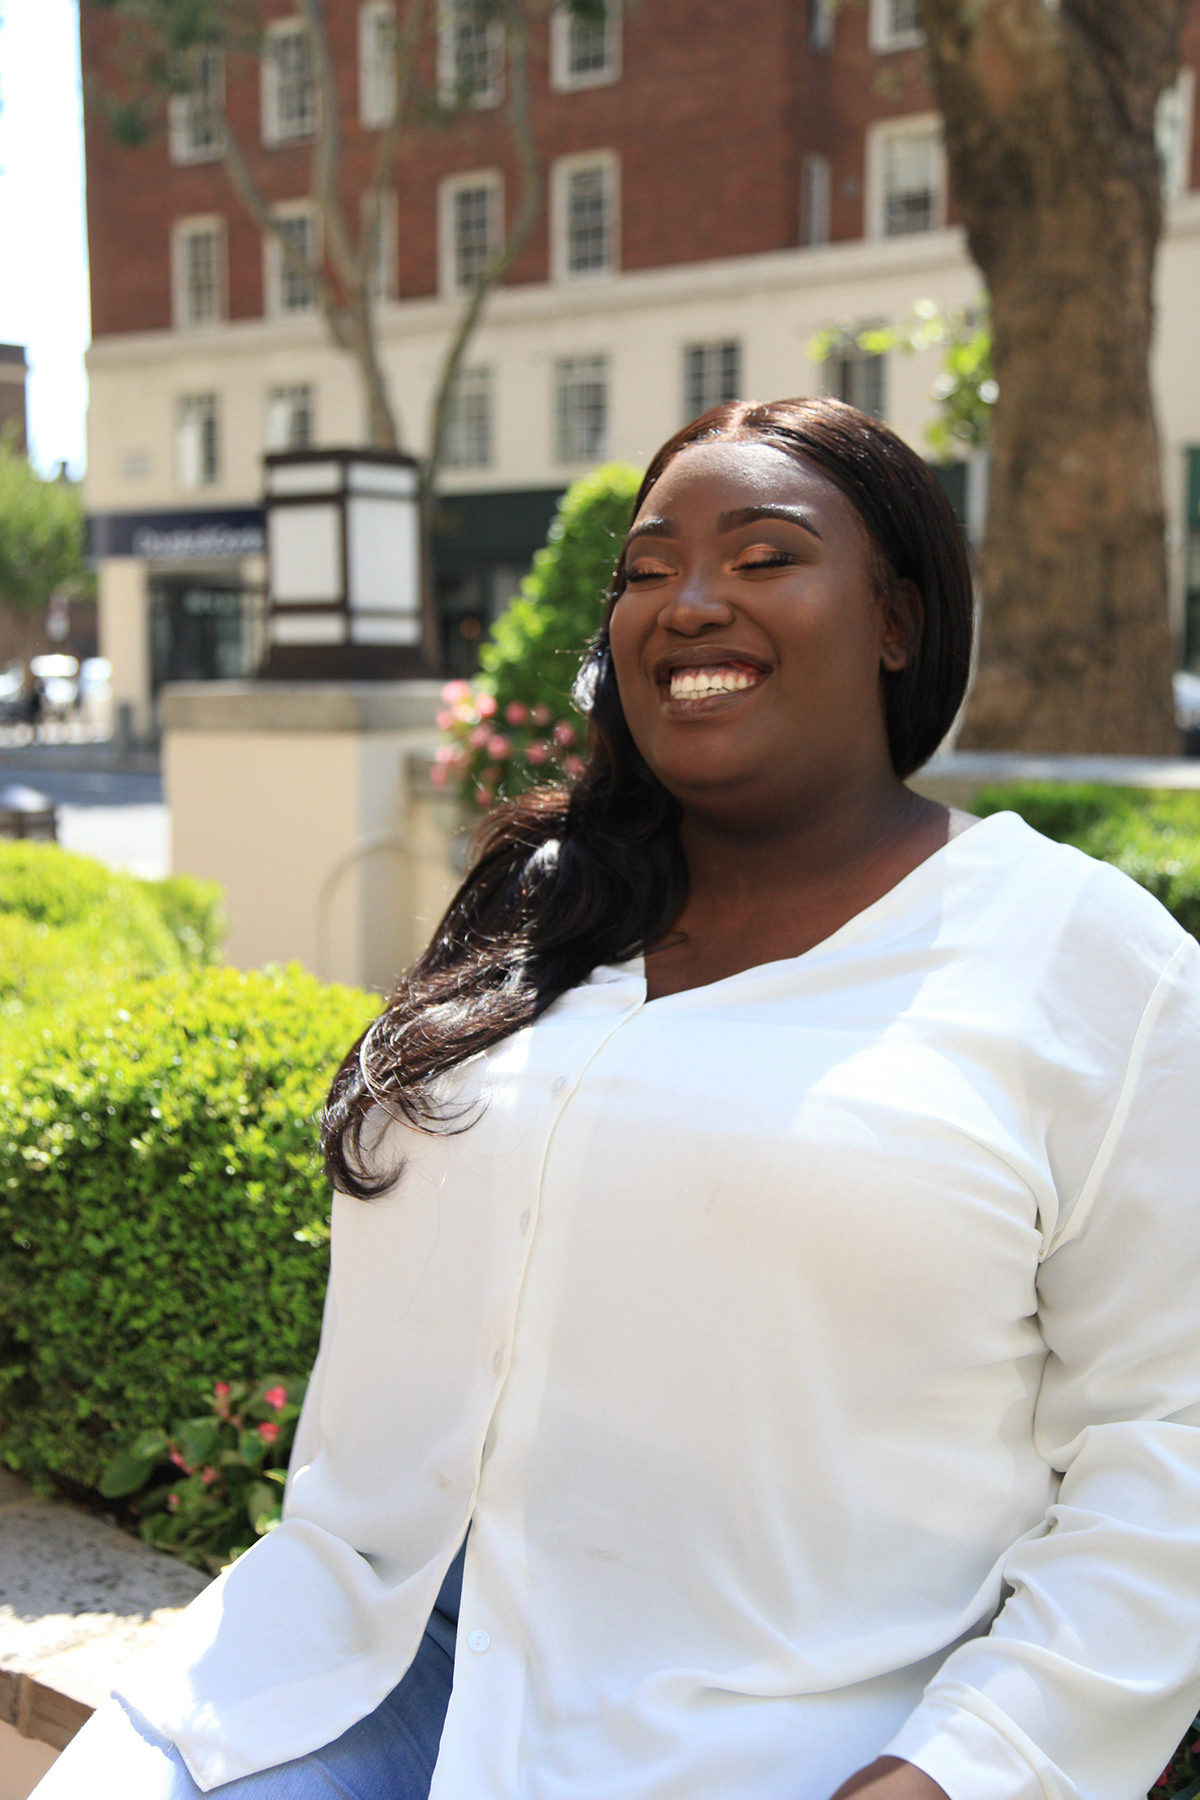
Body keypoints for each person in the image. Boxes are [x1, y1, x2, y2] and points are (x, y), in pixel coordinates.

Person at [39, 398, 1200, 1800]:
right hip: (338, 1658)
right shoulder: (545, 909)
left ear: (897, 619)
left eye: (765, 556)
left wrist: (970, 1768)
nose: (690, 602)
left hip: (773, 1732)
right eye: (647, 571)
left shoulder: (1087, 960)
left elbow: (1170, 1438)